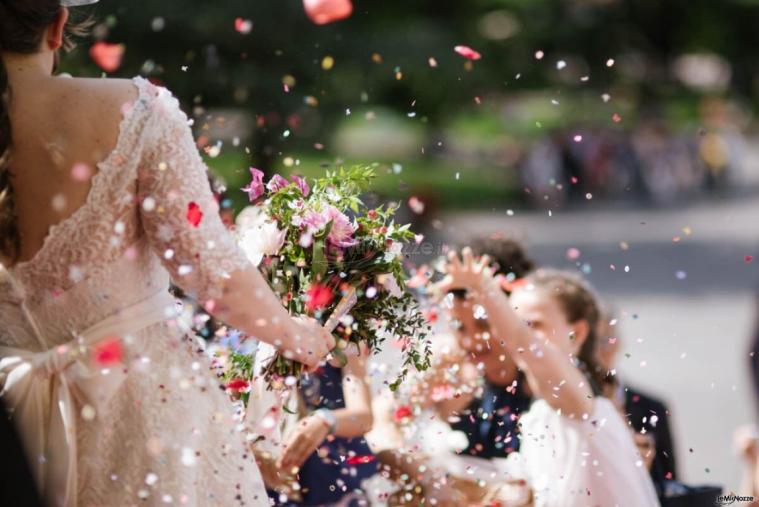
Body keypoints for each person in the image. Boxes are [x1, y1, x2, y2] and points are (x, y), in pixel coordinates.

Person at [0, 2, 334, 505]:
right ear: (57, 26)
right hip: (138, 416)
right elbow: (208, 269)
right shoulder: (133, 109)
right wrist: (297, 336)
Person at [435, 249, 660, 506]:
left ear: (576, 333)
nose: (513, 334)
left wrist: (483, 285)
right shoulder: (542, 407)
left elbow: (522, 343)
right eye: (512, 321)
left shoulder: (576, 395)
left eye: (533, 325)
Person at [267, 351, 377, 506]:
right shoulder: (234, 340)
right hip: (269, 481)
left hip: (330, 476)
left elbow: (363, 417)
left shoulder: (342, 332)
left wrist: (325, 420)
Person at [595, 308, 679, 495]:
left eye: (608, 339)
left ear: (619, 342)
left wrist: (645, 469)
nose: (602, 349)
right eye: (593, 341)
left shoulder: (652, 408)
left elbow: (672, 485)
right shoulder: (564, 407)